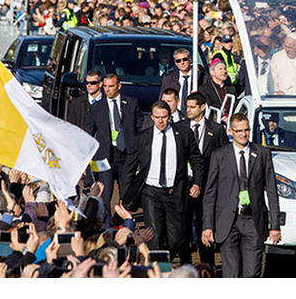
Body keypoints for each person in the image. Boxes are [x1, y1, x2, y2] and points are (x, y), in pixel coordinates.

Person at [120, 101, 204, 259]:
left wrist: (197, 183)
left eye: (164, 117)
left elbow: (197, 160)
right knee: (155, 236)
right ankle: (157, 269)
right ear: (151, 117)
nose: (160, 121)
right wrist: (124, 198)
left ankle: (166, 257)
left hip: (176, 191)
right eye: (157, 117)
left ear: (170, 116)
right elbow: (128, 169)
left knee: (177, 238)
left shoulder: (184, 134)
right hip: (151, 191)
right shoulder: (142, 138)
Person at [201, 113, 281, 278]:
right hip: (228, 222)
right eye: (238, 131)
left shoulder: (262, 154)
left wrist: (275, 226)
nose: (243, 134)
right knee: (232, 274)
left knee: (252, 274)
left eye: (246, 130)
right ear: (231, 131)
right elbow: (210, 193)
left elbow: (272, 192)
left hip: (253, 221)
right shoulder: (219, 155)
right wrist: (207, 225)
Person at [176, 92, 229, 266]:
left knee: (204, 223)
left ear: (202, 107)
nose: (188, 110)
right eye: (187, 106)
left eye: (192, 107)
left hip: (206, 185)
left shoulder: (216, 129)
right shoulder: (179, 127)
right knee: (183, 225)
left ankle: (207, 264)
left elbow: (224, 157)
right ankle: (185, 263)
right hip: (183, 183)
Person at [85, 73, 143, 224]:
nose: (107, 90)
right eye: (105, 86)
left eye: (111, 86)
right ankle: (107, 223)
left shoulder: (131, 103)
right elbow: (89, 132)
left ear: (119, 86)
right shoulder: (97, 107)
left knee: (126, 192)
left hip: (126, 155)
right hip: (105, 155)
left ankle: (121, 220)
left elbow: (139, 129)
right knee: (105, 192)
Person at [198, 59, 237, 124]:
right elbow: (208, 109)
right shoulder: (204, 89)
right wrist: (221, 118)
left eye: (225, 68)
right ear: (212, 72)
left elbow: (235, 106)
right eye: (220, 69)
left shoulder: (231, 88)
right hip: (213, 123)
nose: (224, 71)